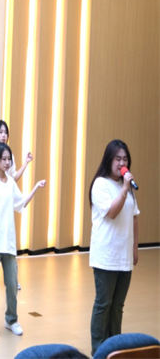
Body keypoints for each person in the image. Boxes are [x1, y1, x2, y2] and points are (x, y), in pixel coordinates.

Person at [0, 142, 46, 339]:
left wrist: (35, 187)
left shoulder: (11, 183)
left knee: (12, 284)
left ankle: (11, 319)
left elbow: (21, 204)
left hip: (9, 242)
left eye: (9, 159)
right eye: (3, 159)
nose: (7, 162)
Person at [88, 139, 140, 355]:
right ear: (109, 160)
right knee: (104, 304)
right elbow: (112, 212)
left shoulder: (127, 188)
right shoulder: (100, 184)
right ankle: (99, 350)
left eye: (125, 159)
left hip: (124, 256)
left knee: (118, 306)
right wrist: (125, 189)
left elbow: (134, 217)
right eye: (118, 159)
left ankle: (115, 348)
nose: (122, 163)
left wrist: (135, 248)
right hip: (106, 256)